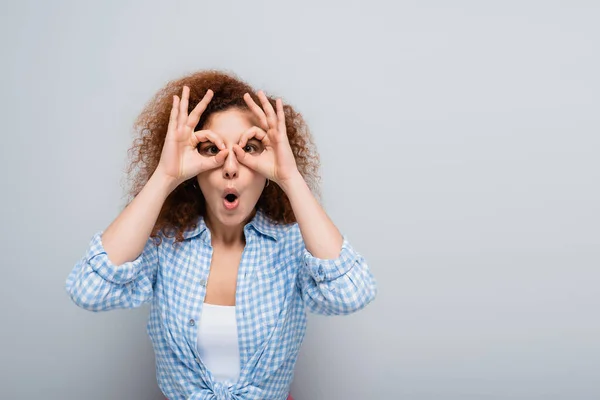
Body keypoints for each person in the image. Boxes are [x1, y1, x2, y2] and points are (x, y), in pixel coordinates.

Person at [65, 70, 378, 400]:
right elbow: (89, 290)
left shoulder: (293, 245)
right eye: (211, 149)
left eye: (251, 149)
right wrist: (165, 175)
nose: (230, 167)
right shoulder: (163, 246)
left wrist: (290, 177)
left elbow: (352, 294)